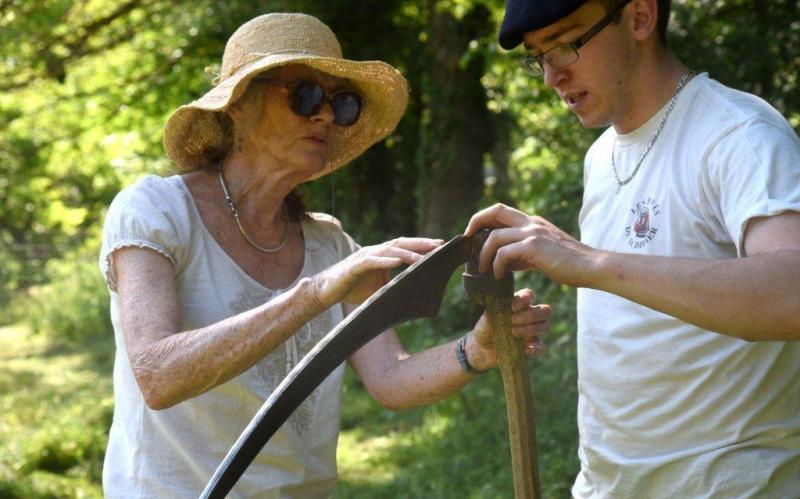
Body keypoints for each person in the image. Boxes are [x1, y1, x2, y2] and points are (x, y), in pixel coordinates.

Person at [98, 12, 551, 498]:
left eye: (343, 103)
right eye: (306, 95)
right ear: (238, 105)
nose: (327, 116)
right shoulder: (157, 211)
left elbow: (391, 378)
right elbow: (157, 376)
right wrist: (313, 293)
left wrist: (476, 351)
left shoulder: (328, 245)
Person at [465, 0, 800, 497]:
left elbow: (792, 291)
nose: (551, 77)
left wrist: (590, 263)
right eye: (539, 57)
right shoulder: (601, 156)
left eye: (564, 44)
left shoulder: (739, 133)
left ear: (640, 16)